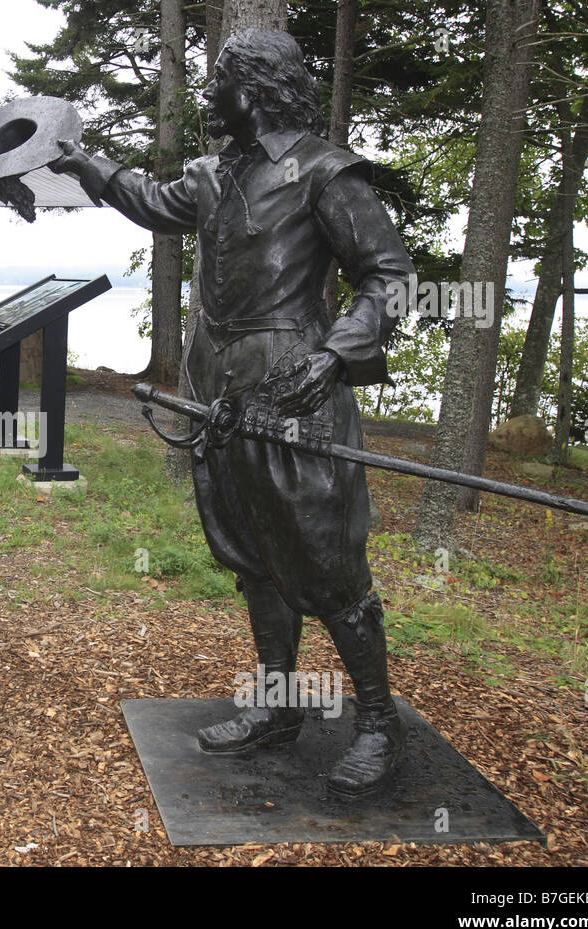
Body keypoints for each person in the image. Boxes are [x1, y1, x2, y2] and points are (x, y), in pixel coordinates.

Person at [48, 28, 415, 795]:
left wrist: (336, 354)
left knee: (328, 562)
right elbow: (148, 201)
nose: (207, 95)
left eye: (217, 81)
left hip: (296, 390)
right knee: (253, 556)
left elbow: (388, 273)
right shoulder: (215, 174)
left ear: (251, 89)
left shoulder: (323, 171)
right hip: (221, 389)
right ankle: (279, 705)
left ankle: (379, 723)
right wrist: (83, 160)